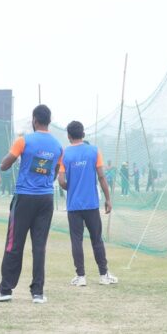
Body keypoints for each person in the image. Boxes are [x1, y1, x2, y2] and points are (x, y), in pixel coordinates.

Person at [0, 104, 63, 304]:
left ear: (34, 120)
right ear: (49, 121)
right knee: (39, 246)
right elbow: (54, 172)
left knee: (14, 244)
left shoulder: (23, 141)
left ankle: (5, 290)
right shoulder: (58, 146)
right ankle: (38, 292)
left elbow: (5, 165)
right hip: (46, 199)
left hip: (25, 197)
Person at [58, 121, 118, 287]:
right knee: (96, 239)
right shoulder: (94, 151)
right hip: (91, 204)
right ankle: (104, 275)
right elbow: (101, 176)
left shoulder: (65, 154)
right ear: (83, 134)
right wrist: (108, 199)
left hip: (73, 206)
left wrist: (71, 188)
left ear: (68, 136)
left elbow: (61, 180)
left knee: (76, 240)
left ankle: (81, 277)